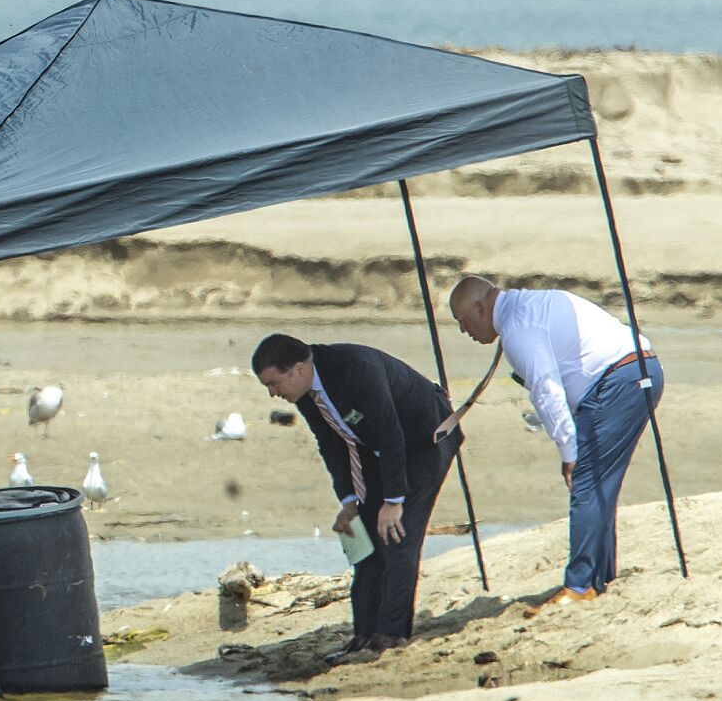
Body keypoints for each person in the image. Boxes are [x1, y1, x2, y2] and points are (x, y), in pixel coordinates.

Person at [448, 275, 664, 611]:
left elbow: (547, 390)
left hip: (622, 377)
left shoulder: (518, 327)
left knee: (587, 484)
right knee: (597, 484)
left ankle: (580, 586)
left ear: (480, 308)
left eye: (462, 323)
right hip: (630, 372)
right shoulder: (526, 307)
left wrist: (568, 452)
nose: (465, 332)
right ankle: (598, 578)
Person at [252, 334, 461, 659]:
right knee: (364, 542)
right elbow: (331, 445)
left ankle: (392, 635)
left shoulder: (355, 369)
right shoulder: (305, 394)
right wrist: (349, 500)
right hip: (379, 450)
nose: (273, 393)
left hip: (426, 439)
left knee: (397, 536)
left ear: (298, 369)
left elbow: (392, 432)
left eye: (274, 383)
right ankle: (364, 634)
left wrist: (393, 501)